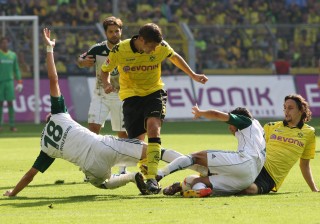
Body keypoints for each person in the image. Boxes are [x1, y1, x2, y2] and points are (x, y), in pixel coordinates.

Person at [2, 28, 183, 197]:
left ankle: (130, 177)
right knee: (153, 149)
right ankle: (189, 161)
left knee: (101, 183)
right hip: (104, 146)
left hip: (92, 168)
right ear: (48, 118)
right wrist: (49, 50)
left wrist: (13, 192)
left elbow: (30, 175)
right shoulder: (59, 114)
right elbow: (53, 79)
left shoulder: (46, 148)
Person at [100, 23, 208, 194]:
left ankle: (152, 177)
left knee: (154, 128)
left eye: (156, 46)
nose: (153, 50)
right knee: (138, 146)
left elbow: (174, 57)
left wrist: (193, 75)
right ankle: (146, 174)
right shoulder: (120, 50)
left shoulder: (161, 47)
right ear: (141, 40)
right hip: (131, 97)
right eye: (150, 46)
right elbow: (104, 70)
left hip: (154, 93)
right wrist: (106, 84)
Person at [157, 105, 266, 197]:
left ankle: (159, 174)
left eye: (231, 125)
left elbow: (217, 115)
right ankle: (199, 190)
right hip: (248, 179)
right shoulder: (260, 130)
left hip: (245, 162)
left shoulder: (245, 121)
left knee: (196, 157)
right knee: (197, 181)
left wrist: (200, 113)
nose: (229, 128)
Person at [77, 16, 131, 175]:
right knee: (92, 131)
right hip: (100, 95)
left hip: (122, 96)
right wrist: (82, 62)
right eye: (111, 31)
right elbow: (81, 58)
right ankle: (91, 169)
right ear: (106, 33)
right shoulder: (98, 49)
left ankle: (123, 169)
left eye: (117, 31)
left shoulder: (128, 48)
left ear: (121, 31)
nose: (114, 34)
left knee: (122, 133)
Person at [241, 94, 319, 194]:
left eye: (290, 108)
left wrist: (314, 189)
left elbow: (304, 165)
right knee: (234, 180)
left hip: (270, 177)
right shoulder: (271, 126)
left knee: (249, 190)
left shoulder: (309, 132)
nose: (286, 111)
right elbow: (254, 147)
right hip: (256, 164)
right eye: (285, 108)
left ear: (301, 110)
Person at [0, 37, 23, 132]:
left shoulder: (13, 55)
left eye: (6, 43)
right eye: (3, 43)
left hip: (9, 82)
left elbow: (16, 69)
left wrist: (19, 82)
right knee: (0, 103)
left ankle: (12, 125)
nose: (5, 44)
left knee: (10, 103)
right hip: (0, 82)